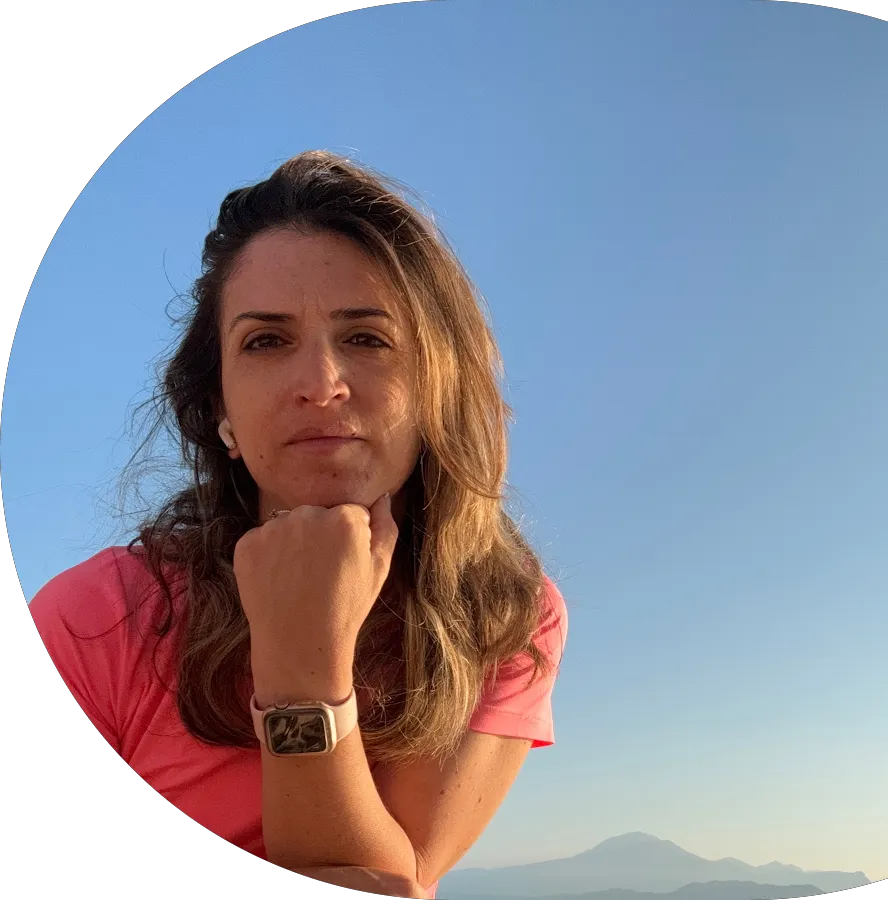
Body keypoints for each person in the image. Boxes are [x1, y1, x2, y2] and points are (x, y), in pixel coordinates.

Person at [29, 151, 568, 899]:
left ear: (437, 388)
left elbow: (387, 881)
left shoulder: (504, 615)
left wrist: (302, 667)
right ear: (218, 406)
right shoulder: (99, 618)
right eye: (266, 341)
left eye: (367, 338)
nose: (320, 385)